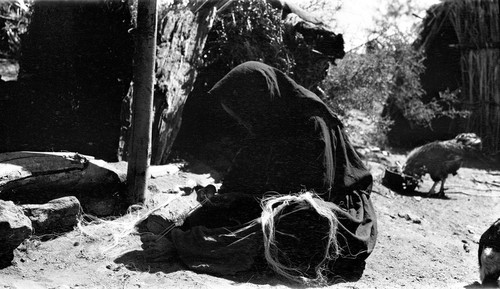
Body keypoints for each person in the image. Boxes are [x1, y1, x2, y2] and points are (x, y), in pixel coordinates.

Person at [141, 61, 377, 283]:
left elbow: (315, 193)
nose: (243, 122)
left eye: (243, 113)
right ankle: (187, 238)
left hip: (334, 215)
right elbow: (241, 181)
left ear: (257, 101)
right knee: (220, 209)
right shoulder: (266, 123)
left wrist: (254, 199)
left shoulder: (312, 121)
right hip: (275, 204)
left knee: (293, 223)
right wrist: (224, 199)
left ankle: (184, 247)